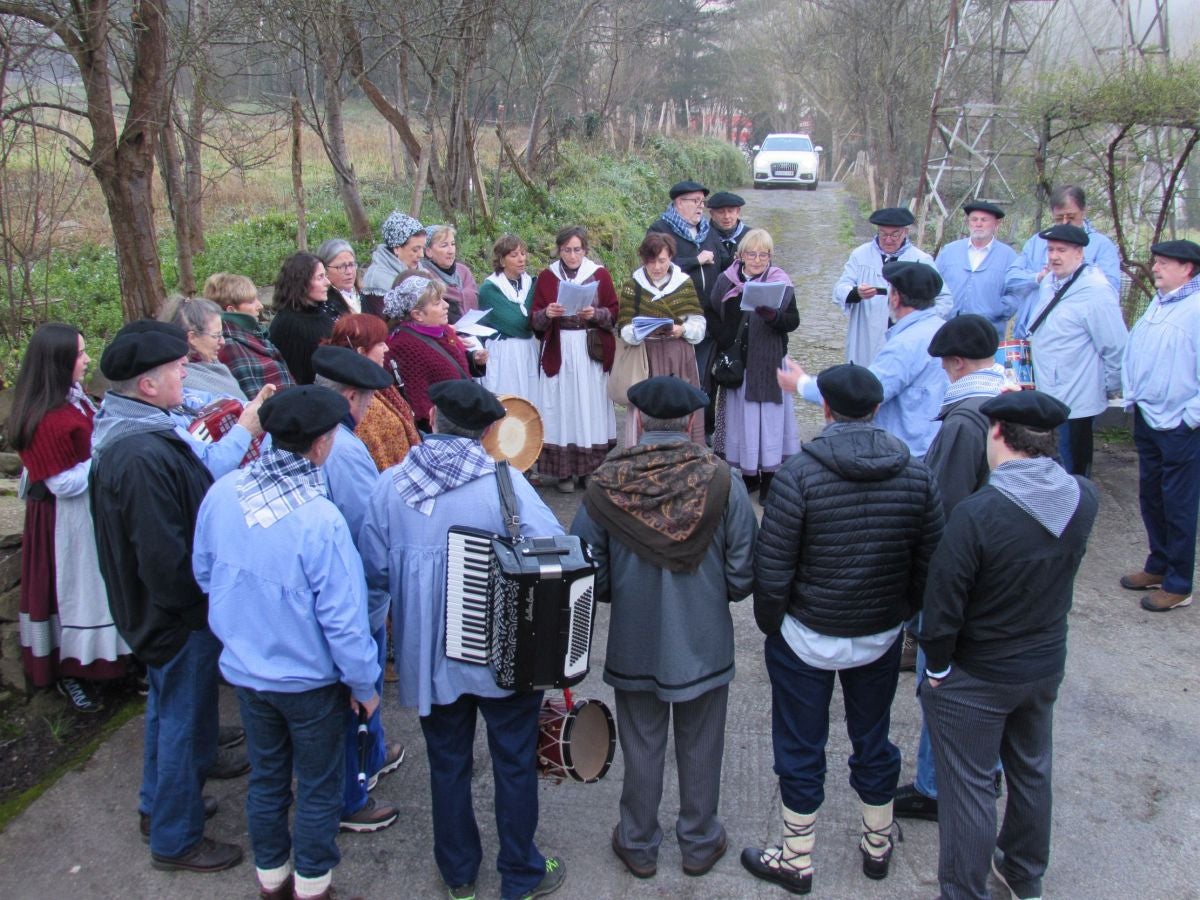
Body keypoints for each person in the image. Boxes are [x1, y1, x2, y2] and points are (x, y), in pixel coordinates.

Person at [359, 379, 567, 900]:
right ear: (492, 430)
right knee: (514, 760)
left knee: (447, 764)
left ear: (430, 414)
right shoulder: (506, 484)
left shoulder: (390, 485)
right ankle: (520, 871)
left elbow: (374, 574)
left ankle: (459, 875)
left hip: (428, 657)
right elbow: (556, 553)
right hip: (502, 653)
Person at [743, 364, 943, 895]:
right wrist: (901, 612)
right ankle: (876, 844)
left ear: (825, 408)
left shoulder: (798, 475)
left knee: (800, 743)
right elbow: (930, 562)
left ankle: (796, 857)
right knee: (872, 738)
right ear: (877, 410)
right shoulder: (917, 475)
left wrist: (773, 626)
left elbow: (773, 567)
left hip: (807, 634)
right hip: (879, 635)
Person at [193, 385, 382, 900]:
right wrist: (364, 683)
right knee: (319, 787)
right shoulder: (321, 520)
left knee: (268, 778)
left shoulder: (223, 492)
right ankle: (313, 885)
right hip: (309, 682)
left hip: (247, 673)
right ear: (321, 444)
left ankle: (271, 881)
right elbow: (345, 621)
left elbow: (205, 573)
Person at [570, 376, 756, 881]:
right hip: (704, 640)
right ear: (693, 422)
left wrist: (622, 594)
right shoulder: (722, 480)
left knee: (642, 741)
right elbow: (742, 573)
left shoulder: (606, 482)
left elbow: (587, 570)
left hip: (635, 637)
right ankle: (699, 841)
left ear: (638, 420)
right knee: (702, 741)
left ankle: (638, 842)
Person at [918, 390, 1098, 900]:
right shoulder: (1084, 497)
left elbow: (944, 602)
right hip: (1043, 664)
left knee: (971, 788)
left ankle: (963, 892)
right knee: (1032, 771)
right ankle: (1023, 875)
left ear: (996, 432)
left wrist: (937, 668)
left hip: (980, 673)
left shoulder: (979, 513)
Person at [90, 324, 243, 873]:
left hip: (164, 614)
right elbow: (162, 555)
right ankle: (176, 838)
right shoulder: (138, 454)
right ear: (148, 386)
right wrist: (197, 612)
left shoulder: (138, 430)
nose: (186, 373)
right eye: (178, 368)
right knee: (181, 717)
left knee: (169, 710)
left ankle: (159, 806)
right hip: (173, 616)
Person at [894, 314, 1004, 820]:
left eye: (943, 365)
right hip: (1000, 571)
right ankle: (983, 768)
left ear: (957, 363)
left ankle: (936, 788)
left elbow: (948, 507)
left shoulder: (964, 421)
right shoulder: (1006, 396)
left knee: (940, 685)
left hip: (962, 574)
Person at [9, 324, 129, 711]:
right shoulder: (46, 418)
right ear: (58, 362)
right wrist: (106, 454)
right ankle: (71, 672)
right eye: (79, 354)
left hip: (87, 514)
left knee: (98, 586)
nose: (87, 359)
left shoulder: (71, 401)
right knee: (71, 592)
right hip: (62, 523)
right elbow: (62, 483)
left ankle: (112, 664)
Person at [310, 346, 405, 834]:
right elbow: (366, 527)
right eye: (366, 401)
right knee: (354, 691)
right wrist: (387, 583)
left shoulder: (304, 428)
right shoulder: (344, 450)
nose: (368, 410)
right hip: (355, 596)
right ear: (350, 397)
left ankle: (374, 750)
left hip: (340, 591)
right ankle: (352, 792)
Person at [785, 261, 949, 457]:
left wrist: (802, 384)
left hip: (907, 451)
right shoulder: (942, 329)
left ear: (895, 297)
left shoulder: (906, 344)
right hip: (934, 443)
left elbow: (861, 396)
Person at [1120, 239, 1200, 612]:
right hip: (1150, 415)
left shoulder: (1196, 308)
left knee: (1179, 502)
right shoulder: (1161, 302)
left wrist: (1191, 417)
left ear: (1188, 269)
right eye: (1156, 261)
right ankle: (1158, 564)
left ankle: (1179, 583)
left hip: (1180, 424)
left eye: (1165, 263)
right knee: (1151, 495)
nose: (1156, 268)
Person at [1013, 223, 1127, 476]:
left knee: (1071, 464)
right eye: (1051, 249)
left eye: (1061, 250)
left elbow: (1115, 346)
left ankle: (1075, 510)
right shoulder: (1050, 283)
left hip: (1076, 398)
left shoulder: (1096, 291)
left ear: (1079, 253)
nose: (1054, 256)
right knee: (1047, 459)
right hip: (1048, 392)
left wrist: (1109, 386)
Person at [707, 228, 800, 504]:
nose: (758, 259)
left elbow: (793, 321)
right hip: (740, 364)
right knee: (742, 421)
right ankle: (748, 476)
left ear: (770, 256)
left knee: (769, 421)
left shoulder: (780, 281)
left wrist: (774, 317)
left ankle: (771, 476)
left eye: (764, 254)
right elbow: (711, 311)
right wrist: (725, 337)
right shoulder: (727, 280)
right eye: (752, 253)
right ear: (741, 255)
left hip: (769, 362)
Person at [531, 225, 618, 492]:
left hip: (589, 350)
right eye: (567, 250)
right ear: (559, 250)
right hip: (560, 348)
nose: (572, 255)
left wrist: (595, 314)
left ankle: (589, 469)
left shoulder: (599, 274)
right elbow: (534, 320)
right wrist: (549, 312)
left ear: (585, 250)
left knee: (588, 406)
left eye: (577, 249)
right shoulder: (547, 277)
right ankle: (563, 473)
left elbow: (614, 312)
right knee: (562, 407)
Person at [161, 298, 272, 480]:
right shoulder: (185, 383)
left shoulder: (213, 366)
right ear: (192, 338)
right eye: (216, 335)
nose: (223, 342)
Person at [617, 232, 707, 447]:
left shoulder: (683, 284)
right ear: (643, 260)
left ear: (671, 258)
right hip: (646, 358)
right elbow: (624, 328)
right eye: (650, 261)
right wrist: (640, 331)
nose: (656, 267)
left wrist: (682, 329)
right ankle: (644, 454)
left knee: (681, 404)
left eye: (662, 261)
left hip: (679, 355)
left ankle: (686, 453)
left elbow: (699, 325)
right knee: (648, 407)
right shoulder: (633, 285)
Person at [833, 207, 952, 365]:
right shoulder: (861, 255)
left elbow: (944, 299)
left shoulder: (921, 260)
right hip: (867, 333)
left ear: (905, 232)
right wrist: (856, 293)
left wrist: (921, 319)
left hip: (906, 336)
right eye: (883, 234)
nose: (888, 240)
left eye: (894, 235)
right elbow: (841, 287)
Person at [384, 274, 487, 430]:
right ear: (417, 314)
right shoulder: (405, 346)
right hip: (442, 428)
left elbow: (453, 366)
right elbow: (418, 401)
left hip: (461, 417)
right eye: (437, 303)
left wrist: (474, 359)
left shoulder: (443, 330)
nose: (446, 306)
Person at [328, 313, 421, 471]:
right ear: (362, 351)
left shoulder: (376, 384)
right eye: (380, 344)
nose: (386, 348)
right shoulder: (360, 399)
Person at [1006, 184, 1122, 305]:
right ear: (1052, 213)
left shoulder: (1102, 245)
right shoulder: (1036, 242)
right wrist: (1039, 278)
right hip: (1033, 321)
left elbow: (1110, 289)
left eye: (1071, 217)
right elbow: (1010, 279)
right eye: (1059, 218)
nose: (1065, 222)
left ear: (1083, 212)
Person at [934, 201, 1020, 337]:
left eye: (984, 220)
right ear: (968, 223)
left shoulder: (1009, 257)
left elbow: (1016, 293)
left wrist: (997, 310)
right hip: (948, 329)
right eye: (974, 219)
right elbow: (934, 283)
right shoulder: (949, 251)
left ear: (996, 224)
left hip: (986, 332)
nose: (978, 224)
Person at [478, 234, 541, 413]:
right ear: (502, 260)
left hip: (527, 351)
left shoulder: (532, 283)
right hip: (503, 353)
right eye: (514, 255)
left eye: (523, 253)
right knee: (506, 404)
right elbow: (519, 324)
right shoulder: (490, 289)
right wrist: (531, 318)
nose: (521, 259)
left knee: (529, 403)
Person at [207, 272, 297, 396]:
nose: (259, 306)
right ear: (231, 310)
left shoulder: (255, 338)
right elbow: (253, 401)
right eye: (251, 301)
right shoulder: (229, 346)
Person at [268, 252, 340, 385]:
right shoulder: (288, 325)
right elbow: (296, 376)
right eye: (320, 277)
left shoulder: (322, 314)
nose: (328, 282)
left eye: (326, 276)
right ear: (301, 282)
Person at [647, 179, 720, 298]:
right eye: (696, 201)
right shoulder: (659, 230)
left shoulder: (708, 230)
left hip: (709, 309)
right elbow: (656, 266)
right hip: (677, 306)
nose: (701, 206)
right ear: (680, 202)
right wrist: (695, 261)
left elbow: (723, 261)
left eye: (702, 201)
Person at [361, 211, 426, 311]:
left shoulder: (422, 271)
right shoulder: (377, 280)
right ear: (397, 248)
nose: (421, 255)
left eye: (423, 248)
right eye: (415, 250)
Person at [421, 224, 480, 323]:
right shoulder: (424, 276)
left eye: (452, 244)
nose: (451, 251)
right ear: (428, 251)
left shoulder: (463, 271)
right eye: (444, 245)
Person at [317, 238, 382, 319]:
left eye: (351, 264)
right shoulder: (323, 305)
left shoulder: (368, 297)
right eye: (341, 267)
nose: (349, 272)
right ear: (325, 270)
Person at [707, 191, 749, 272]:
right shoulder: (703, 237)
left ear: (738, 212)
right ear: (712, 214)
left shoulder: (750, 236)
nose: (726, 216)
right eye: (721, 212)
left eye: (730, 211)